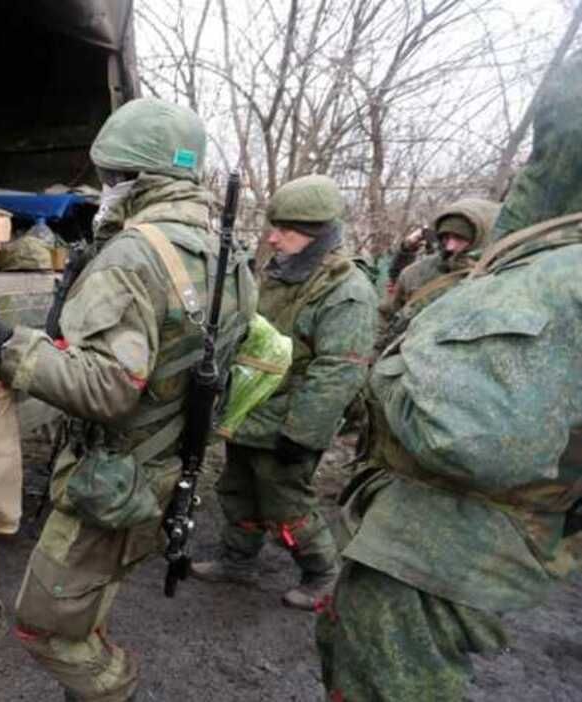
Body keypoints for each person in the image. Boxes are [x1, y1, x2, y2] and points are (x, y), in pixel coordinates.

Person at [0, 97, 256, 701]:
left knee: (47, 629)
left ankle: (116, 690)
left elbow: (107, 386)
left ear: (136, 180)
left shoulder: (136, 255)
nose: (102, 188)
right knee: (87, 604)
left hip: (117, 476)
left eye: (109, 176)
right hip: (167, 468)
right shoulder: (226, 253)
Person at [317, 50, 582, 701]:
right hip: (427, 519)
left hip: (456, 539)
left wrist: (390, 372)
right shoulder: (433, 274)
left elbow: (473, 436)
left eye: (465, 238)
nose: (454, 247)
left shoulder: (549, 280)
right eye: (448, 237)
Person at [191, 174, 377, 610]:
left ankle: (322, 573)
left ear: (316, 236)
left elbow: (338, 371)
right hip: (251, 410)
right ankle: (238, 559)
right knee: (236, 489)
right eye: (272, 227)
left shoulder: (347, 292)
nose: (271, 239)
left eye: (284, 231)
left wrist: (303, 434)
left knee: (287, 503)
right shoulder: (282, 275)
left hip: (290, 421)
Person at [377, 198, 500, 346]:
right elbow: (386, 318)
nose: (450, 246)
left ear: (482, 239)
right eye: (446, 237)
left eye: (460, 238)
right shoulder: (415, 273)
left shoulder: (502, 276)